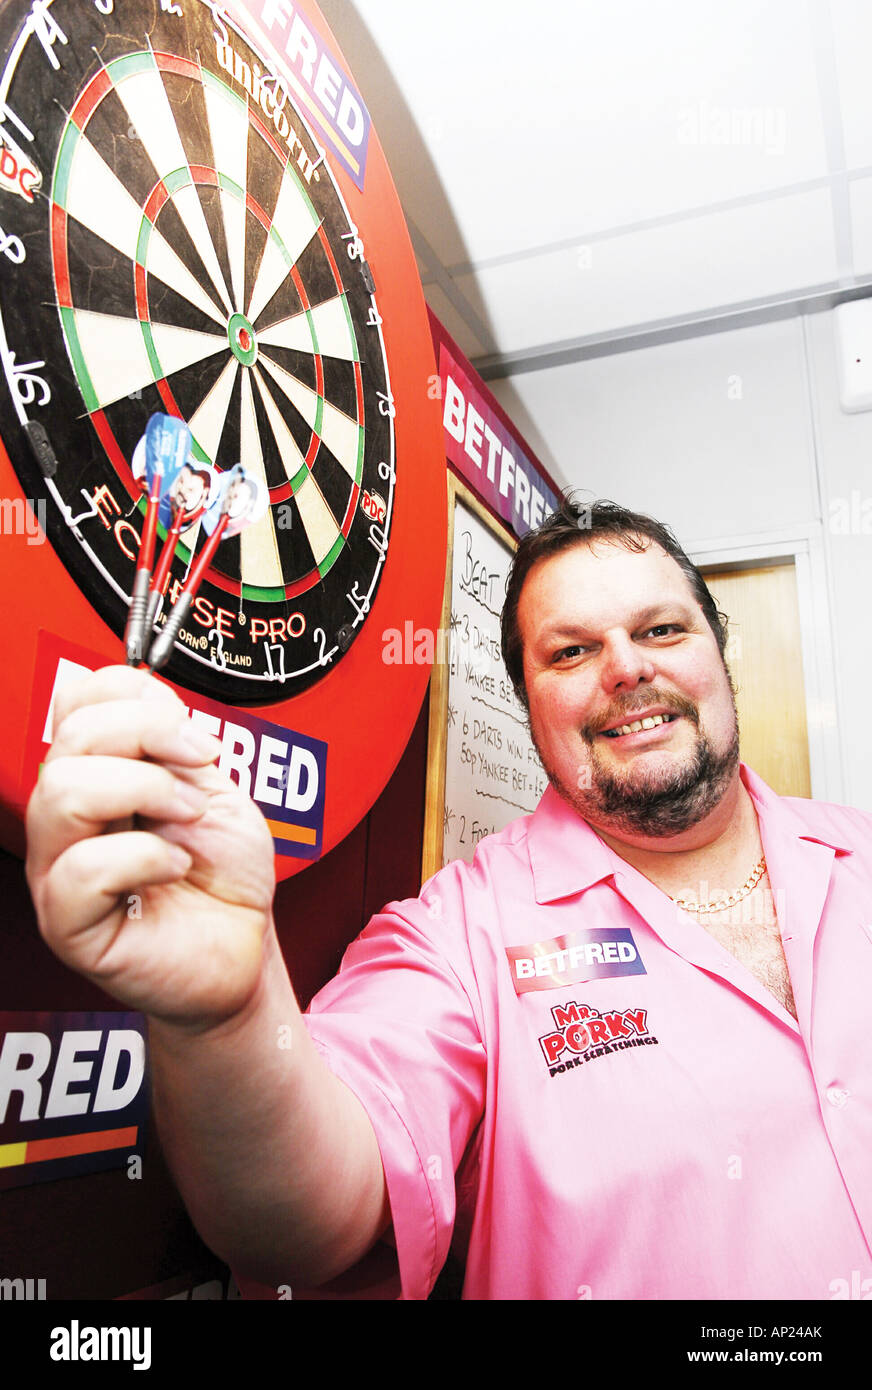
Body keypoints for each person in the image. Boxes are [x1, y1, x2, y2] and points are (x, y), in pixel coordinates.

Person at [24, 498, 872, 1300]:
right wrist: (224, 1019)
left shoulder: (859, 851)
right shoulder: (454, 937)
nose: (627, 668)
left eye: (660, 629)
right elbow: (308, 1221)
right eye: (570, 652)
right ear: (531, 705)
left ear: (716, 652)